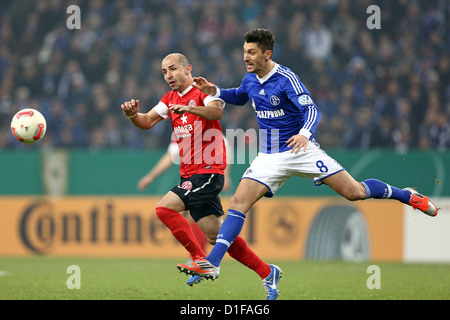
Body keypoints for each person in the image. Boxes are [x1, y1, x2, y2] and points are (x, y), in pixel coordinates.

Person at [177, 29, 439, 286]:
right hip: (268, 157)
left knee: (355, 192)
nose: (245, 57)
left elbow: (312, 110)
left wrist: (304, 134)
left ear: (267, 54)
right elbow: (240, 95)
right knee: (237, 204)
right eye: (244, 52)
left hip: (301, 151)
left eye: (252, 53)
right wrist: (216, 91)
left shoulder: (286, 78)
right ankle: (213, 262)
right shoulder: (250, 79)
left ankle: (407, 195)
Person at [121, 53, 281, 299]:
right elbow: (146, 122)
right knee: (218, 235)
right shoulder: (169, 99)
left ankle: (200, 259)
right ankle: (267, 272)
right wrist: (133, 115)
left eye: (172, 69)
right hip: (191, 173)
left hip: (208, 171)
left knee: (164, 210)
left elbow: (217, 113)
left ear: (188, 69)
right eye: (164, 72)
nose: (168, 75)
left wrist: (189, 107)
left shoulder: (203, 90)